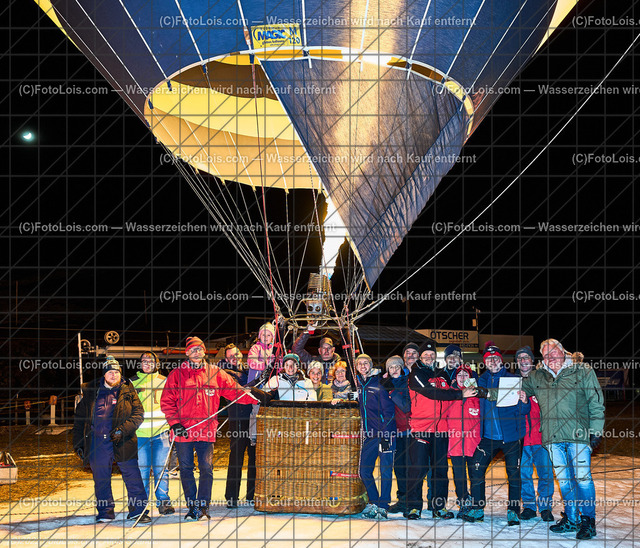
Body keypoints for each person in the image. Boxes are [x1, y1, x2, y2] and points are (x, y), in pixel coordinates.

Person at [160, 336, 259, 520]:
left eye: (200, 349)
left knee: (206, 468)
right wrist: (175, 423)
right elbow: (167, 401)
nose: (197, 352)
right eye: (193, 349)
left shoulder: (215, 373)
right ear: (187, 352)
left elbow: (235, 391)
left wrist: (257, 399)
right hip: (183, 431)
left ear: (204, 351)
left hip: (206, 430)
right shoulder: (177, 374)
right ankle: (192, 505)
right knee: (186, 469)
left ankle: (203, 506)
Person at [521, 339, 604, 540]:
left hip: (578, 436)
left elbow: (596, 401)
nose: (550, 358)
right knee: (565, 481)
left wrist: (596, 431)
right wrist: (485, 392)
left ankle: (588, 521)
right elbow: (512, 388)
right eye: (546, 355)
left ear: (563, 351)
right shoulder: (538, 376)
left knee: (583, 479)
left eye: (553, 353)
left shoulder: (582, 371)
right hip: (553, 438)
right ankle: (572, 519)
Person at [73, 356, 151, 524]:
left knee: (132, 477)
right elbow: (79, 420)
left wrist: (123, 430)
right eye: (110, 372)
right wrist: (79, 445)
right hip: (98, 442)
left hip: (123, 440)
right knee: (101, 478)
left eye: (116, 372)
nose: (114, 375)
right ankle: (105, 512)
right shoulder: (91, 392)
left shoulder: (128, 390)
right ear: (104, 374)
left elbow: (138, 414)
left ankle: (138, 511)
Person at [405, 340, 476, 520]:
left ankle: (438, 507)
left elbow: (457, 384)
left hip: (442, 430)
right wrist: (460, 394)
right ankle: (413, 507)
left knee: (440, 471)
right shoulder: (416, 374)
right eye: (425, 355)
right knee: (418, 469)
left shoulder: (442, 374)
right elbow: (431, 393)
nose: (429, 357)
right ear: (420, 357)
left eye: (432, 355)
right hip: (421, 429)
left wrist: (470, 381)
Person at [462, 343, 530, 526]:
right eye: (488, 359)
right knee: (476, 468)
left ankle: (513, 510)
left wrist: (524, 401)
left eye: (496, 358)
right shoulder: (480, 381)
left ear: (501, 360)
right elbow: (463, 389)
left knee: (513, 473)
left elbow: (525, 410)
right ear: (484, 362)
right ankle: (478, 508)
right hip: (488, 437)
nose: (492, 361)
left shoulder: (513, 379)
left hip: (512, 436)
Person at [130, 351, 174, 515]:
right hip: (139, 435)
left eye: (151, 361)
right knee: (142, 471)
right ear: (140, 363)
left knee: (161, 470)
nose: (147, 363)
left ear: (157, 364)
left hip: (161, 434)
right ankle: (141, 506)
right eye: (144, 360)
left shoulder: (165, 381)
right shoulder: (132, 382)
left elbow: (173, 403)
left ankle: (163, 502)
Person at [515, 345, 554, 522]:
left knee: (545, 474)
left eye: (526, 357)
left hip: (541, 437)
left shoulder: (543, 381)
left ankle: (545, 507)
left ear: (532, 361)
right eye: (519, 358)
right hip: (521, 438)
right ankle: (529, 506)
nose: (523, 361)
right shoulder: (513, 382)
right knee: (524, 475)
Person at [355, 354, 396, 520]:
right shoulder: (359, 384)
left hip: (385, 434)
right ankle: (374, 501)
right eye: (360, 363)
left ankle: (383, 506)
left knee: (385, 470)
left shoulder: (379, 382)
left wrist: (385, 434)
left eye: (366, 363)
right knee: (364, 470)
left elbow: (389, 410)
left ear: (371, 365)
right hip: (370, 435)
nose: (363, 366)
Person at [218, 344, 256, 509]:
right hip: (238, 419)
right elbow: (238, 389)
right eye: (230, 356)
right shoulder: (226, 372)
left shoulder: (248, 369)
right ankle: (231, 496)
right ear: (226, 359)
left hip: (253, 418)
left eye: (236, 354)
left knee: (254, 457)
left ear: (241, 354)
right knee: (236, 458)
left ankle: (252, 494)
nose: (234, 358)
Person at [442, 364, 481, 517]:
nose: (463, 377)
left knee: (475, 474)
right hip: (455, 443)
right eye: (459, 375)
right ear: (455, 378)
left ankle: (476, 503)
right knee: (459, 475)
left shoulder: (477, 395)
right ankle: (463, 501)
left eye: (466, 375)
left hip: (474, 443)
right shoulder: (450, 395)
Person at [381, 356, 411, 515]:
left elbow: (406, 406)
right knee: (396, 467)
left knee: (406, 467)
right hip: (390, 431)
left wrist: (391, 391)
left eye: (397, 367)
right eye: (391, 367)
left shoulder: (406, 383)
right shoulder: (385, 383)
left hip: (406, 430)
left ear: (401, 368)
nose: (394, 370)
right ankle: (401, 500)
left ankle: (409, 501)